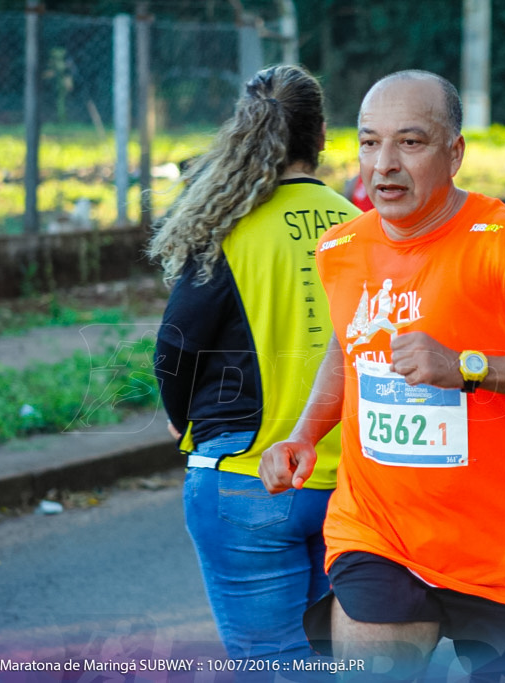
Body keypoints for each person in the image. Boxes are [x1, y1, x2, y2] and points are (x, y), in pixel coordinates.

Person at [258, 69, 505, 681]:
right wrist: (304, 433)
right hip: (378, 534)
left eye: (411, 141)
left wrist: (466, 368)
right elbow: (348, 351)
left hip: (504, 552)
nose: (385, 164)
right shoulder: (340, 248)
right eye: (370, 142)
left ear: (455, 153)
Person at [148, 64, 361, 661]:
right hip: (349, 480)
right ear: (321, 134)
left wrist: (180, 415)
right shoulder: (362, 226)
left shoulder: (229, 229)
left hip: (247, 473)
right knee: (336, 661)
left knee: (273, 661)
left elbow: (176, 345)